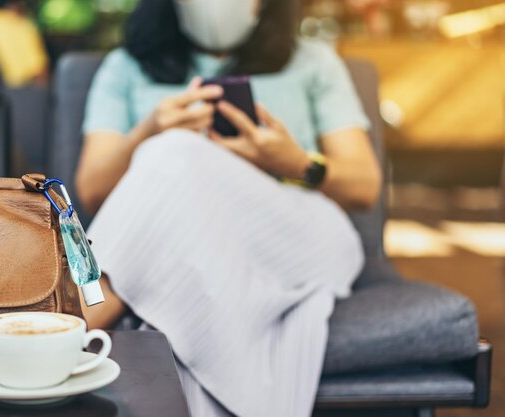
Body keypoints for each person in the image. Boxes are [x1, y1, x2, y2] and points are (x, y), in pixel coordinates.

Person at [75, 0, 382, 415]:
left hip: (299, 233)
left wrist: (292, 162)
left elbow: (365, 186)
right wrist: (147, 132)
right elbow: (92, 189)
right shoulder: (125, 68)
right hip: (190, 245)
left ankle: (70, 323)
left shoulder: (314, 63)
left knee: (175, 152)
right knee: (171, 153)